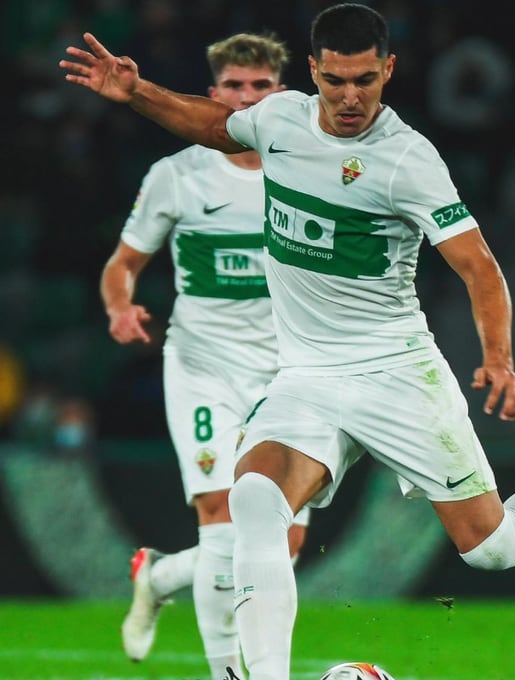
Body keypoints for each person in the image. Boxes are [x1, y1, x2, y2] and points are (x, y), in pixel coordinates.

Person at [60, 5, 515, 680]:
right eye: (338, 80)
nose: (351, 97)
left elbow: (478, 266)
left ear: (389, 71)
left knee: (491, 547)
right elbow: (211, 124)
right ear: (314, 70)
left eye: (366, 81)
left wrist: (498, 358)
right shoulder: (282, 117)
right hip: (307, 379)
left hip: (397, 375)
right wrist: (136, 91)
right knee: (254, 499)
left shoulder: (407, 159)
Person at [97, 32, 310, 680]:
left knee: (280, 542)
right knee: (221, 521)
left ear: (280, 94)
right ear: (214, 95)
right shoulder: (177, 175)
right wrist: (119, 306)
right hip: (203, 365)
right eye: (236, 88)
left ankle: (160, 576)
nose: (248, 98)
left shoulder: (307, 169)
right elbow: (123, 263)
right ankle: (228, 674)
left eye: (261, 87)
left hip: (287, 376)